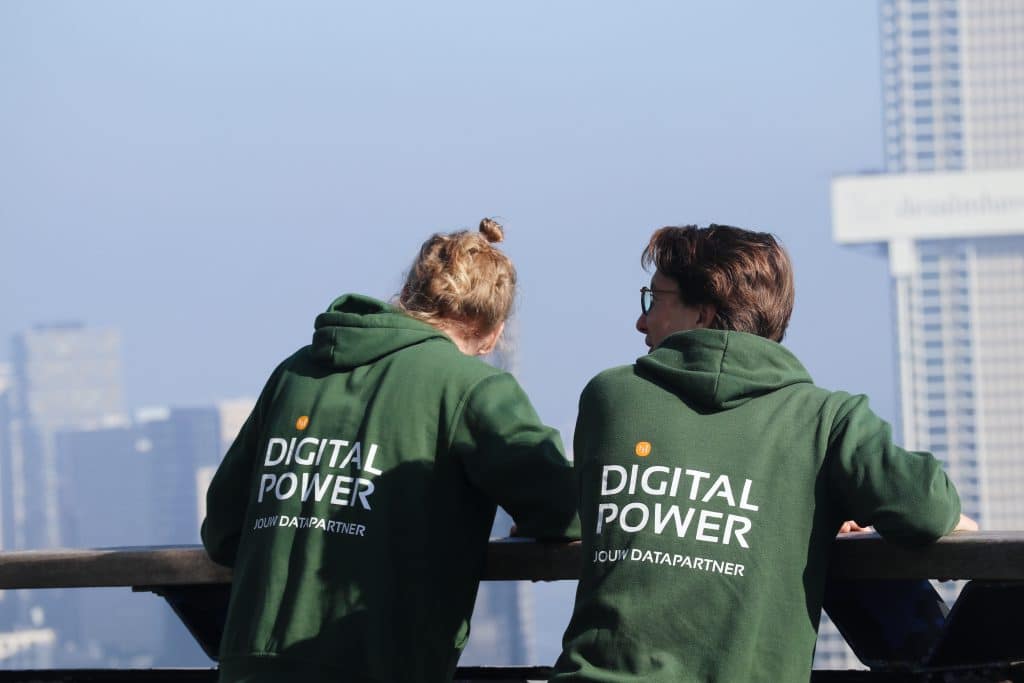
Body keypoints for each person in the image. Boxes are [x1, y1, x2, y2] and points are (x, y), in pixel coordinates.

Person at [550, 224, 976, 683]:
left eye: (653, 299)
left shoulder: (611, 397)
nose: (641, 321)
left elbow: (581, 508)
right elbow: (928, 508)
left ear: (703, 313)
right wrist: (819, 509)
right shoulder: (827, 420)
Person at [202, 218, 579, 683]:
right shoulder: (473, 388)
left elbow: (223, 531)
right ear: (493, 332)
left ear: (407, 293)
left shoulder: (295, 373)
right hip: (379, 662)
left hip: (250, 663)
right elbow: (567, 509)